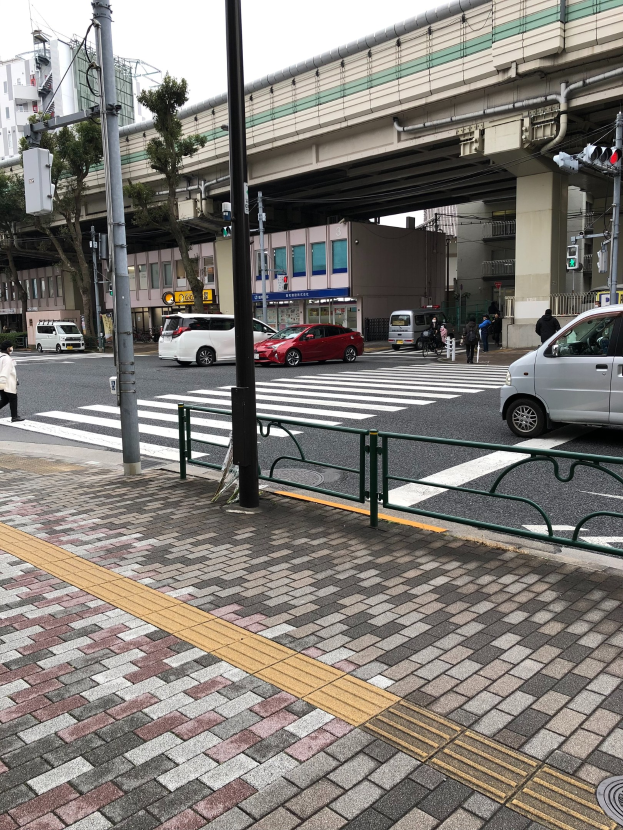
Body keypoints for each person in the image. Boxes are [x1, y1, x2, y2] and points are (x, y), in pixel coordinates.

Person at [0, 342, 24, 422]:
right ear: (7, 349)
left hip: (3, 382)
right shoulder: (7, 359)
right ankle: (14, 417)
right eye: (11, 347)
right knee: (13, 398)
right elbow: (6, 371)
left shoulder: (1, 356)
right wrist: (2, 383)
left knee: (5, 399)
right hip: (7, 382)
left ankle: (15, 416)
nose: (11, 349)